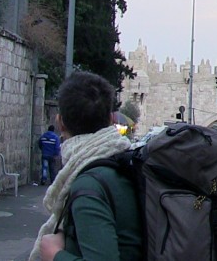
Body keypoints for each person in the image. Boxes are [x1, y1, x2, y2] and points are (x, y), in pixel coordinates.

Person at [29, 71, 139, 261]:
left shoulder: (89, 184)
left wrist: (54, 255)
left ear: (59, 122)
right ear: (112, 120)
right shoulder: (123, 164)